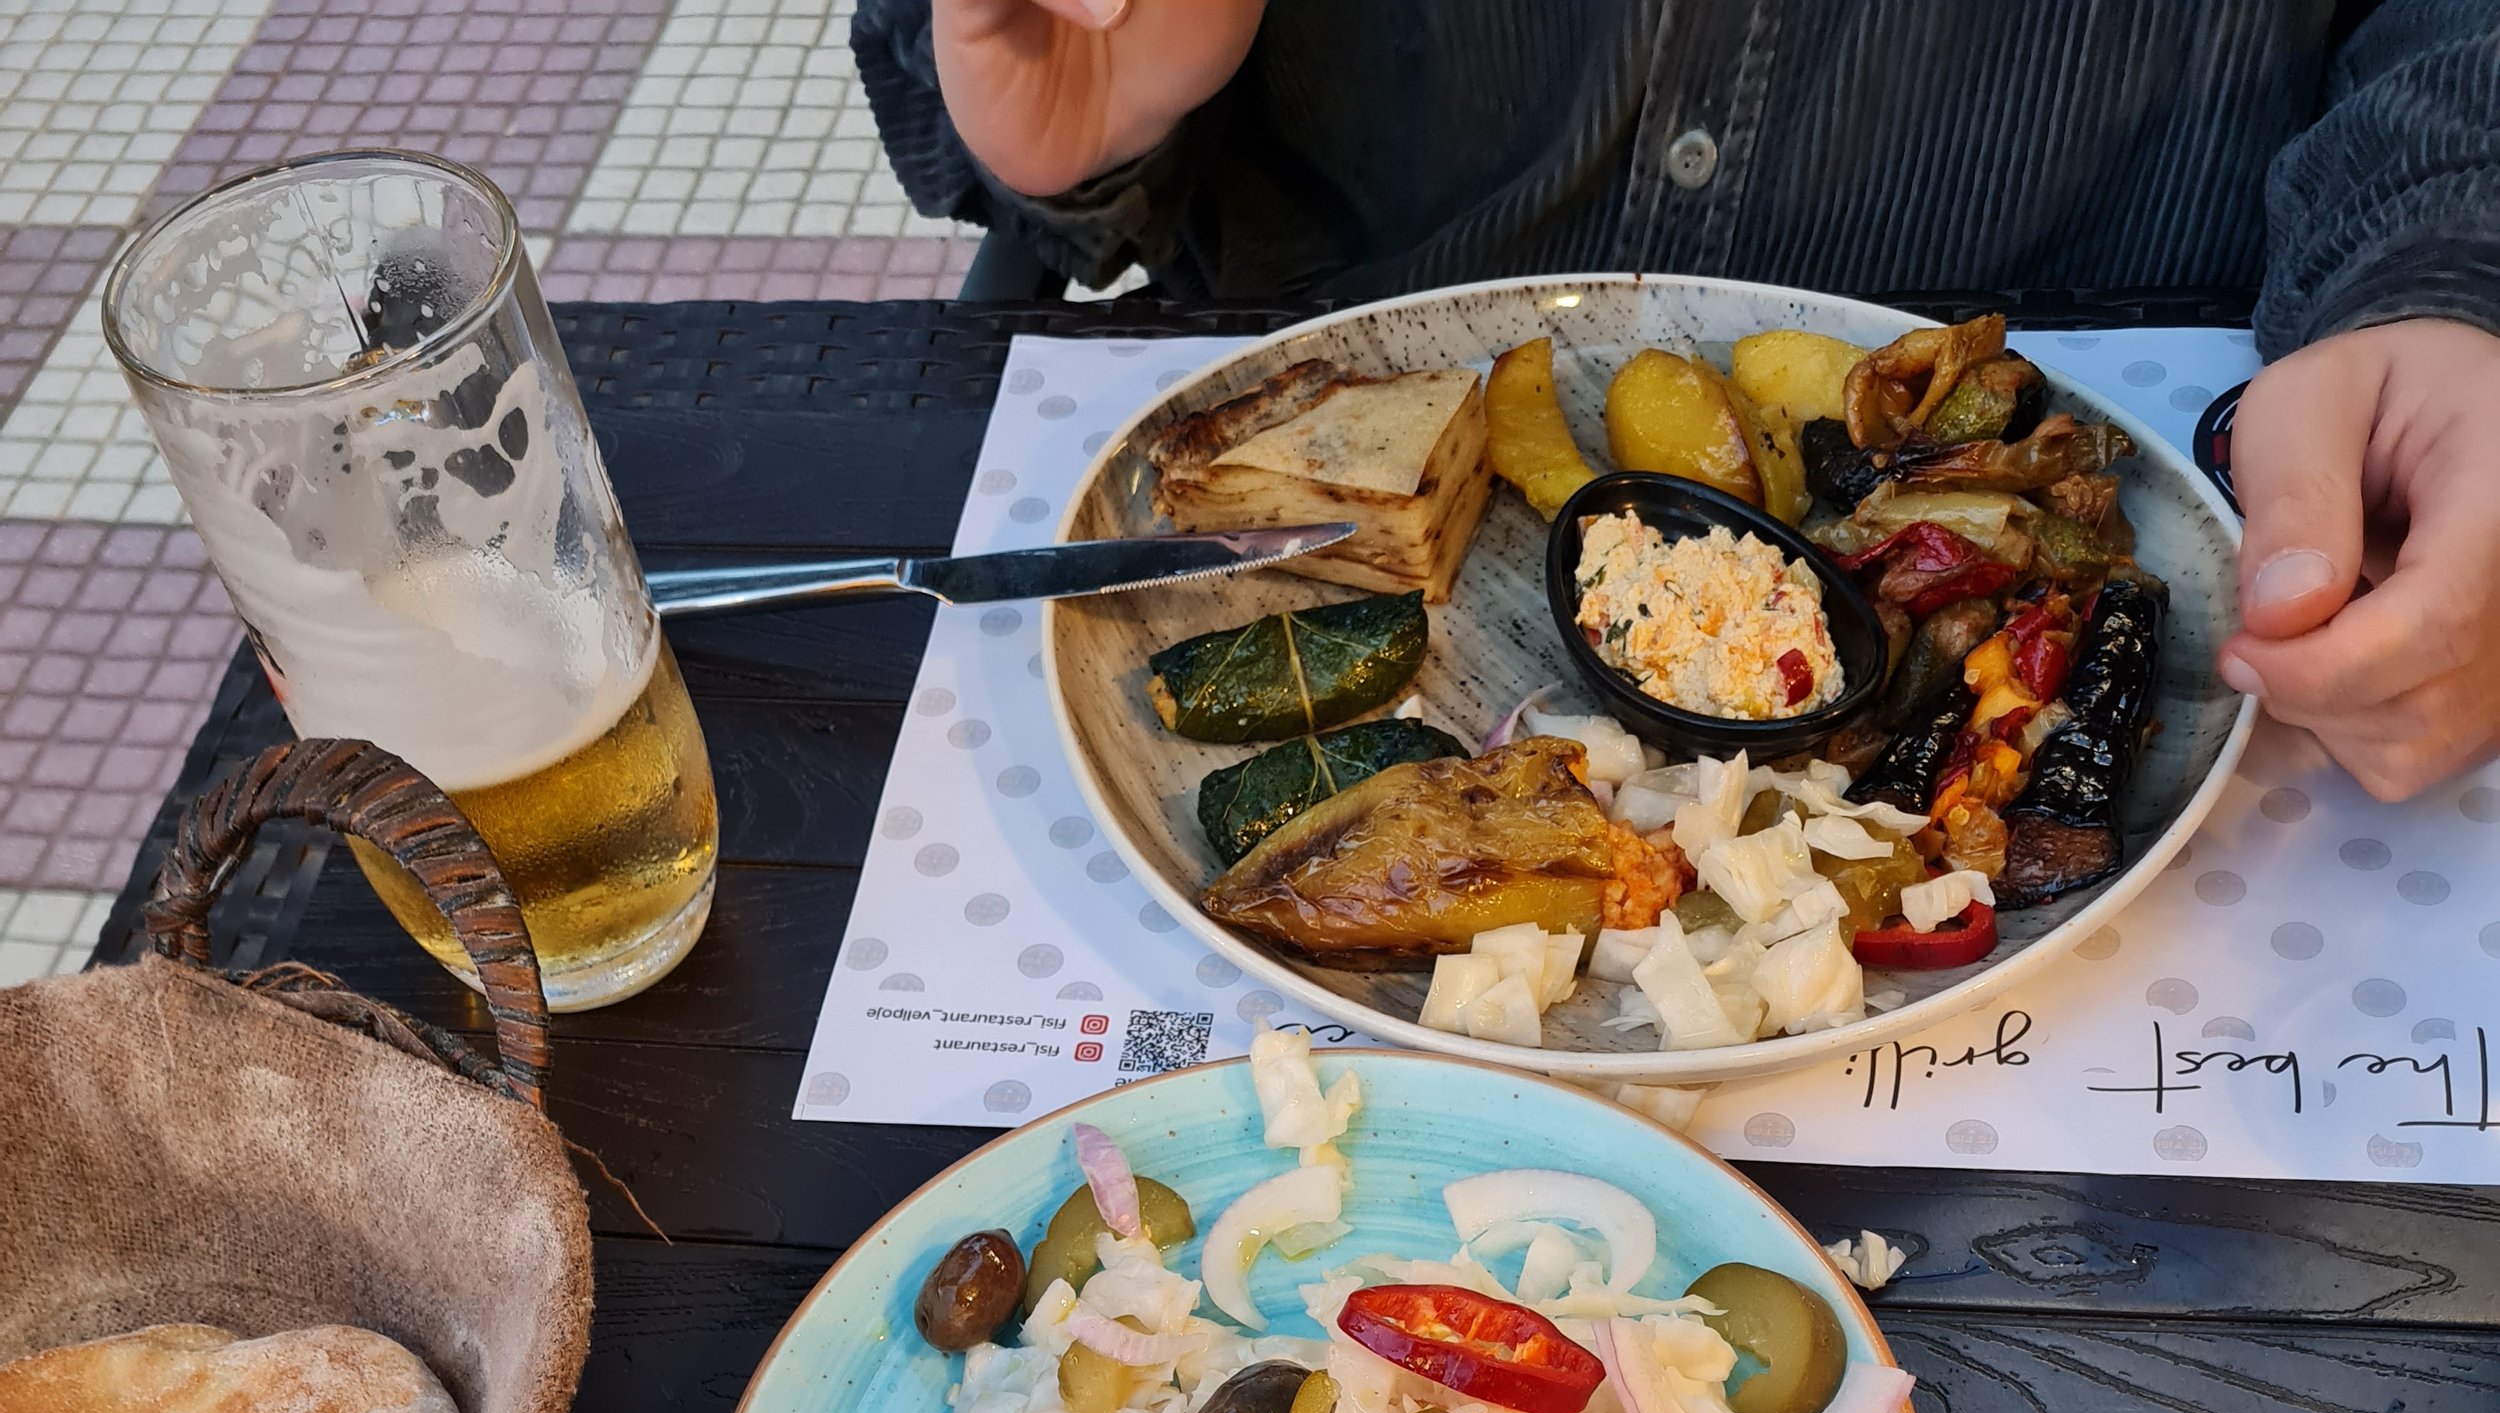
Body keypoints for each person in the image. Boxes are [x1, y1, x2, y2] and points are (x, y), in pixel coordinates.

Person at [853, 0, 2500, 800]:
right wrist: (1065, 109)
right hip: (1290, 359)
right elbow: (970, 71)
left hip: (2164, 380)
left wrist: (2450, 269)